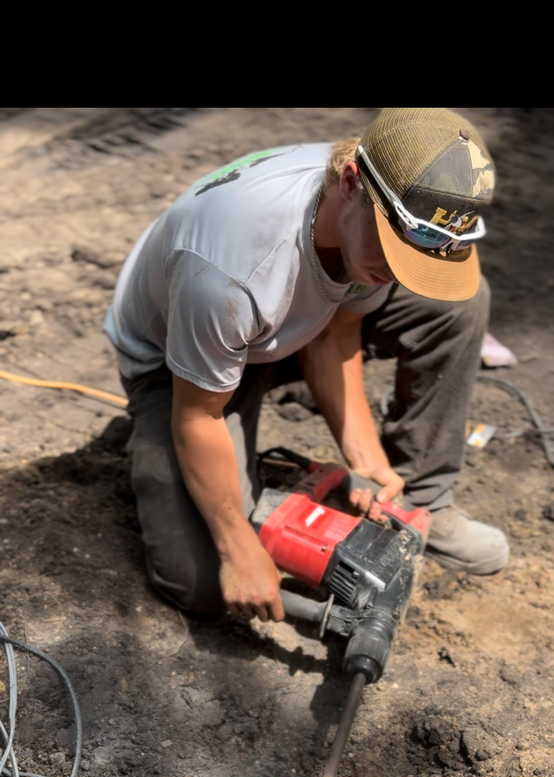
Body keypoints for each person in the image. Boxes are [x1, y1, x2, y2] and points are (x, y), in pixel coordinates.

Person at [105, 106, 509, 624]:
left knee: (458, 303)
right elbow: (198, 416)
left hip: (277, 325)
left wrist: (364, 459)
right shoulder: (230, 270)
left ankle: (422, 498)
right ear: (350, 182)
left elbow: (337, 329)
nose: (396, 272)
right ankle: (188, 463)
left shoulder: (364, 214)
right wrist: (236, 548)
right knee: (201, 581)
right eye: (393, 252)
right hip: (179, 363)